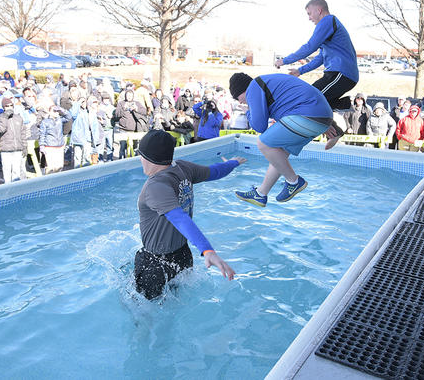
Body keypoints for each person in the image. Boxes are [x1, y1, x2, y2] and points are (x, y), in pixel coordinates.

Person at [134, 129, 241, 300]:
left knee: (141, 312)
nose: (140, 159)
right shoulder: (182, 168)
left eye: (141, 155)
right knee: (177, 301)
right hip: (183, 256)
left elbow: (179, 218)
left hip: (155, 264)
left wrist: (208, 250)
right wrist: (233, 163)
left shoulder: (155, 186)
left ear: (149, 158)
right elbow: (213, 172)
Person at [230, 72, 332, 207]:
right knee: (278, 155)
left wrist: (248, 111)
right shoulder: (267, 83)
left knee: (263, 143)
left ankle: (293, 181)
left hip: (307, 115)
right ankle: (260, 194)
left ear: (242, 90)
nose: (240, 102)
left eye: (238, 98)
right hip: (320, 118)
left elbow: (259, 126)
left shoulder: (253, 87)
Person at [274, 0, 359, 149]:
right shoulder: (329, 30)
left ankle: (335, 127)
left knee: (312, 99)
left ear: (319, 10)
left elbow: (309, 46)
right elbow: (320, 57)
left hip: (342, 73)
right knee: (310, 98)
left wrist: (284, 60)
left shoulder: (328, 21)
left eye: (309, 13)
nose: (309, 18)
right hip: (335, 74)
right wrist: (300, 71)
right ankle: (343, 110)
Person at [0, 97, 26, 183]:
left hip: (17, 148)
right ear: (3, 107)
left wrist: (24, 146)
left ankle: (16, 189)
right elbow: (1, 130)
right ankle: (7, 188)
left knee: (17, 172)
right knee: (7, 171)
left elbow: (22, 133)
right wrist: (5, 117)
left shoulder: (18, 118)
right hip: (6, 149)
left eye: (11, 105)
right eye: (7, 106)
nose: (9, 107)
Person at [39, 105, 70, 173]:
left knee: (59, 167)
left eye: (57, 111)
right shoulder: (45, 122)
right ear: (50, 112)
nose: (56, 112)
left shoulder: (60, 120)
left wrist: (61, 109)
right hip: (50, 146)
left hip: (59, 146)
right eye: (54, 111)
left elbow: (68, 117)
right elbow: (42, 135)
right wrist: (42, 145)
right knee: (51, 168)